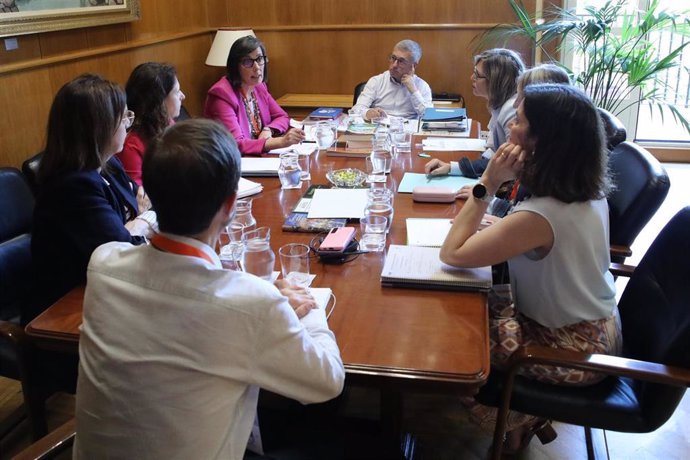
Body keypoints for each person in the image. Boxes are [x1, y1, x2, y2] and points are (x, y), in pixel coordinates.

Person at [73, 119, 345, 459]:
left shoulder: (104, 263)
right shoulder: (252, 303)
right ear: (230, 206)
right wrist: (308, 306)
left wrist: (263, 298)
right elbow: (328, 382)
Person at [439, 84, 621, 454]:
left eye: (519, 120)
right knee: (463, 309)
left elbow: (452, 253)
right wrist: (504, 228)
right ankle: (522, 421)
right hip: (595, 327)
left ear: (542, 139)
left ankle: (516, 419)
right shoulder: (583, 191)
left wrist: (487, 183)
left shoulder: (542, 214)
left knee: (454, 348)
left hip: (571, 347)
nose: (510, 125)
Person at [28, 74, 154, 324]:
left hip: (102, 292)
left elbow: (143, 204)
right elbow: (124, 251)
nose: (128, 125)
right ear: (99, 126)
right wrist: (144, 220)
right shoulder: (73, 186)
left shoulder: (110, 164)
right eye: (124, 117)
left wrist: (134, 223)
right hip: (63, 313)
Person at [425, 48, 525, 178]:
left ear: (495, 81)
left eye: (477, 75)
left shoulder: (512, 110)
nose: (472, 78)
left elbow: (508, 162)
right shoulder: (499, 105)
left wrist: (454, 167)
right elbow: (492, 150)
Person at [204, 35, 305, 155]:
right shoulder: (222, 95)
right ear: (235, 66)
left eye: (259, 59)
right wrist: (282, 141)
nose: (257, 67)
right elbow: (236, 144)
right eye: (247, 62)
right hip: (232, 163)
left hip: (257, 159)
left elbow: (282, 116)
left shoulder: (258, 87)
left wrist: (268, 130)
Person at [116, 62, 185, 186]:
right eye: (177, 92)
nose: (183, 96)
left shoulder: (168, 123)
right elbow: (141, 198)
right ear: (159, 102)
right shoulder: (131, 147)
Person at [351, 39, 433, 120]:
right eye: (393, 58)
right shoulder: (376, 81)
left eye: (401, 61)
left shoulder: (423, 86)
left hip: (407, 131)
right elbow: (356, 110)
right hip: (380, 130)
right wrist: (367, 113)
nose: (394, 65)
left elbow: (429, 117)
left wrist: (413, 90)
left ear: (413, 66)